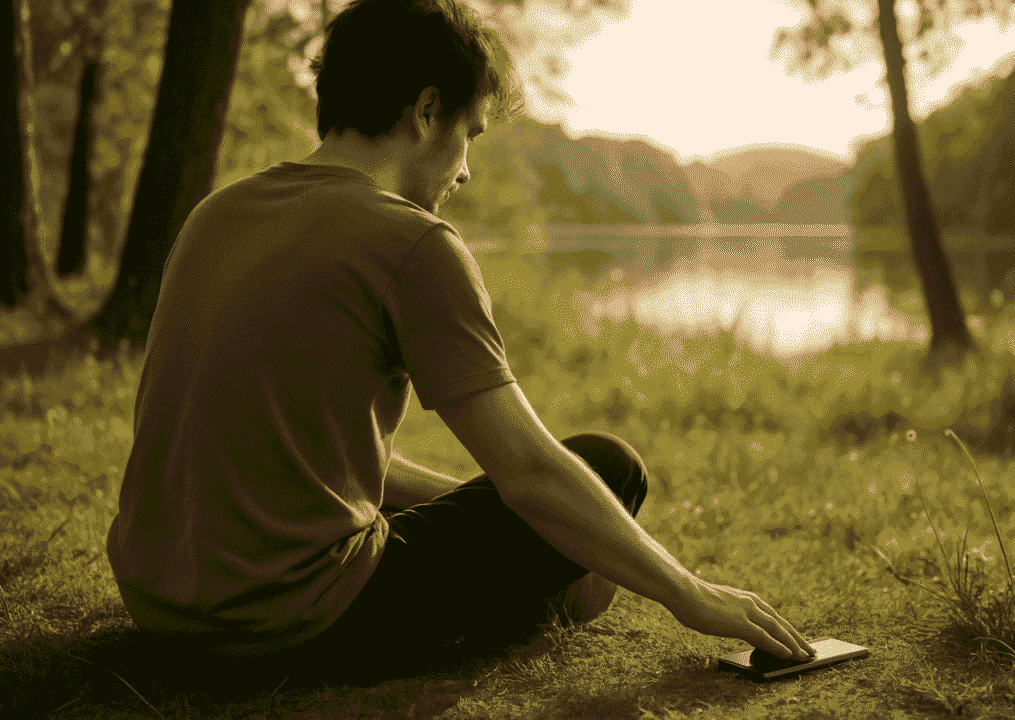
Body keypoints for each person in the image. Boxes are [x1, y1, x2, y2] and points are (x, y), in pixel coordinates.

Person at [105, 0, 814, 678]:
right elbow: (530, 471)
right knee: (610, 467)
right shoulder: (410, 240)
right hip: (288, 620)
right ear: (426, 110)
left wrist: (493, 509)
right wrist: (689, 592)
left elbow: (290, 452)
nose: (467, 169)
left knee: (566, 512)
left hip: (159, 605)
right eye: (470, 134)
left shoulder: (216, 213)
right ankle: (539, 606)